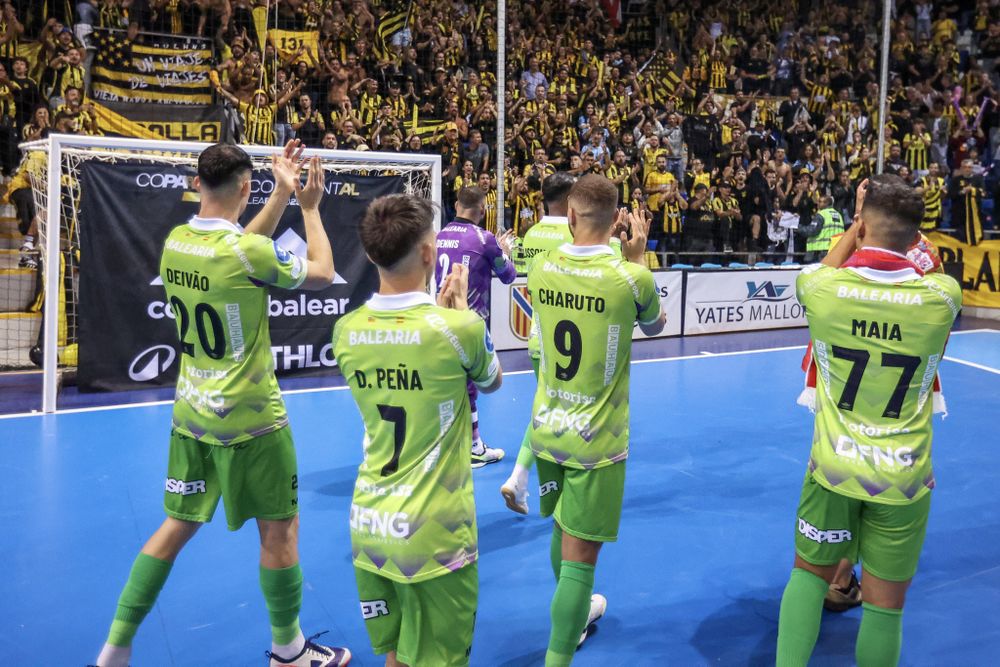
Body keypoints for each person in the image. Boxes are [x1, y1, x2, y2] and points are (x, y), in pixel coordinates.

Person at [93, 142, 350, 667]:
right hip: (253, 419)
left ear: (197, 182)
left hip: (191, 415)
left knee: (174, 527)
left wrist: (276, 191)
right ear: (243, 188)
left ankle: (114, 650)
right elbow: (322, 269)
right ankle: (290, 652)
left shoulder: (176, 243)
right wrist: (307, 205)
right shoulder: (245, 253)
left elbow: (237, 248)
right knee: (280, 530)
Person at [776, 175, 962, 667]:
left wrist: (857, 223)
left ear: (860, 224)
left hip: (834, 468)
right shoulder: (943, 296)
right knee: (885, 611)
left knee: (807, 577)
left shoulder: (823, 289)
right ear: (917, 233)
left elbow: (826, 268)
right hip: (902, 476)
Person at [332, 194, 503, 667]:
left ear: (370, 254)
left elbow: (401, 350)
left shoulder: (345, 331)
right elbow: (490, 382)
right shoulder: (459, 328)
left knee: (398, 654)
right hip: (435, 533)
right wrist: (455, 314)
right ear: (429, 253)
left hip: (369, 525)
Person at [528, 174, 665, 666]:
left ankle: (576, 613)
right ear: (617, 222)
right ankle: (558, 654)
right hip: (596, 440)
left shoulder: (542, 267)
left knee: (559, 532)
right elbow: (654, 324)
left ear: (569, 216)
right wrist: (637, 258)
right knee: (581, 559)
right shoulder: (632, 278)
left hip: (547, 427)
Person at [501, 172, 576, 514]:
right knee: (556, 411)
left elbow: (518, 271)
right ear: (571, 198)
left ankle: (522, 479)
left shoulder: (532, 233)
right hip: (569, 338)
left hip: (536, 335)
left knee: (546, 408)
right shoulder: (574, 233)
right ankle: (528, 479)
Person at [435, 186, 516, 468]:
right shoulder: (485, 238)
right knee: (472, 383)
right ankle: (473, 447)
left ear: (456, 205)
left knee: (446, 381)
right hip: (469, 319)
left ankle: (451, 443)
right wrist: (504, 252)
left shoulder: (440, 234)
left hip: (438, 315)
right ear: (483, 210)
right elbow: (509, 276)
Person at [949, 158, 984, 245]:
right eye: (965, 167)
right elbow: (951, 195)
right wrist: (962, 192)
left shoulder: (978, 179)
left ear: (972, 168)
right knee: (960, 239)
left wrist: (972, 190)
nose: (967, 169)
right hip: (960, 214)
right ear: (961, 168)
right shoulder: (955, 180)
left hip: (975, 214)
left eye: (969, 167)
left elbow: (983, 193)